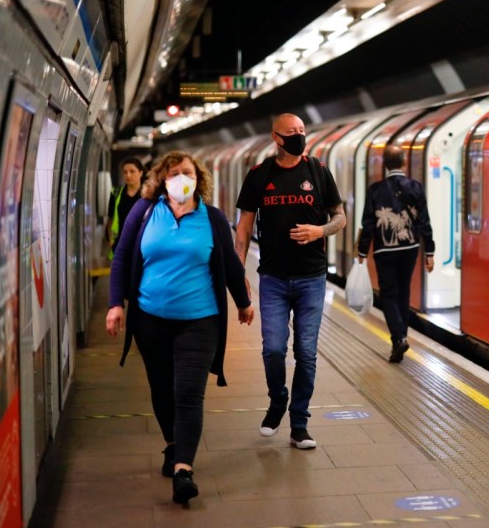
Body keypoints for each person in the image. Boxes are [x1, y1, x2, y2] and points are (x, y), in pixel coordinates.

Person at [105, 151, 254, 505]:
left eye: (187, 172)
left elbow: (230, 264)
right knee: (161, 388)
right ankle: (172, 445)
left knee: (189, 393)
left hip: (200, 321)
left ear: (198, 178)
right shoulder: (144, 213)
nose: (181, 178)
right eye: (174, 173)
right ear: (161, 179)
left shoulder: (212, 218)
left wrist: (244, 303)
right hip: (150, 319)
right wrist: (115, 304)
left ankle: (184, 469)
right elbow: (123, 257)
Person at [234, 113, 346, 450]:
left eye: (302, 130)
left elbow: (340, 217)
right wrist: (239, 274)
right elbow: (243, 228)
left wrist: (319, 231)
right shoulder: (259, 175)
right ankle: (277, 400)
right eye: (291, 132)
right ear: (276, 138)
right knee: (273, 349)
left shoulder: (318, 171)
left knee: (306, 353)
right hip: (273, 277)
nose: (299, 136)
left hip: (312, 277)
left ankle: (299, 423)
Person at [356, 144, 435, 363]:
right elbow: (424, 222)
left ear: (385, 165)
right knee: (403, 292)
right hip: (410, 249)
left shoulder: (375, 190)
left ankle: (398, 338)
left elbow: (368, 223)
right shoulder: (416, 187)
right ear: (404, 162)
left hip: (385, 250)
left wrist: (362, 250)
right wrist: (429, 251)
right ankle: (402, 336)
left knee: (388, 294)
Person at [105, 157, 145, 257]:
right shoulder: (116, 193)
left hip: (143, 245)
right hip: (120, 245)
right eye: (125, 172)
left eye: (132, 171)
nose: (128, 175)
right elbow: (110, 219)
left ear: (140, 173)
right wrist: (111, 243)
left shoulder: (147, 195)